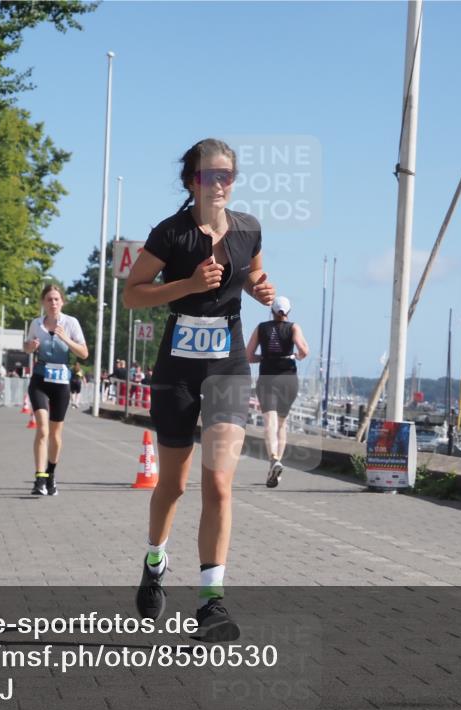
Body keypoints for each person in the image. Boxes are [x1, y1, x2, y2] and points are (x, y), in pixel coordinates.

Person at [123, 138, 275, 642]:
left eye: (228, 174)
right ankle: (155, 559)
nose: (221, 183)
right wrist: (184, 286)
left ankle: (211, 602)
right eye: (212, 174)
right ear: (193, 180)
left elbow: (252, 275)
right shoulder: (170, 233)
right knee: (173, 485)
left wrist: (260, 290)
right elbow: (132, 294)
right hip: (177, 368)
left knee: (220, 484)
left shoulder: (249, 229)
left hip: (228, 364)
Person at [23, 285, 89, 496]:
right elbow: (26, 347)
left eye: (56, 299)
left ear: (62, 302)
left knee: (55, 434)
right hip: (40, 380)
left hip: (61, 383)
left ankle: (51, 474)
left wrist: (66, 339)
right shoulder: (36, 324)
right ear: (43, 302)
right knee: (42, 429)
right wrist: (30, 347)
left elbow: (84, 353)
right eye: (49, 299)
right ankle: (39, 478)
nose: (53, 303)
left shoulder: (71, 323)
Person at [245, 296, 309, 487]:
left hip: (267, 378)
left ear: (271, 311)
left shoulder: (261, 328)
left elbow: (249, 355)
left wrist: (263, 358)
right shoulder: (293, 327)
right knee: (282, 424)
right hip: (289, 379)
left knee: (269, 422)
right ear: (288, 312)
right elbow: (304, 350)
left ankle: (273, 459)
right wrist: (296, 356)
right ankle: (276, 467)